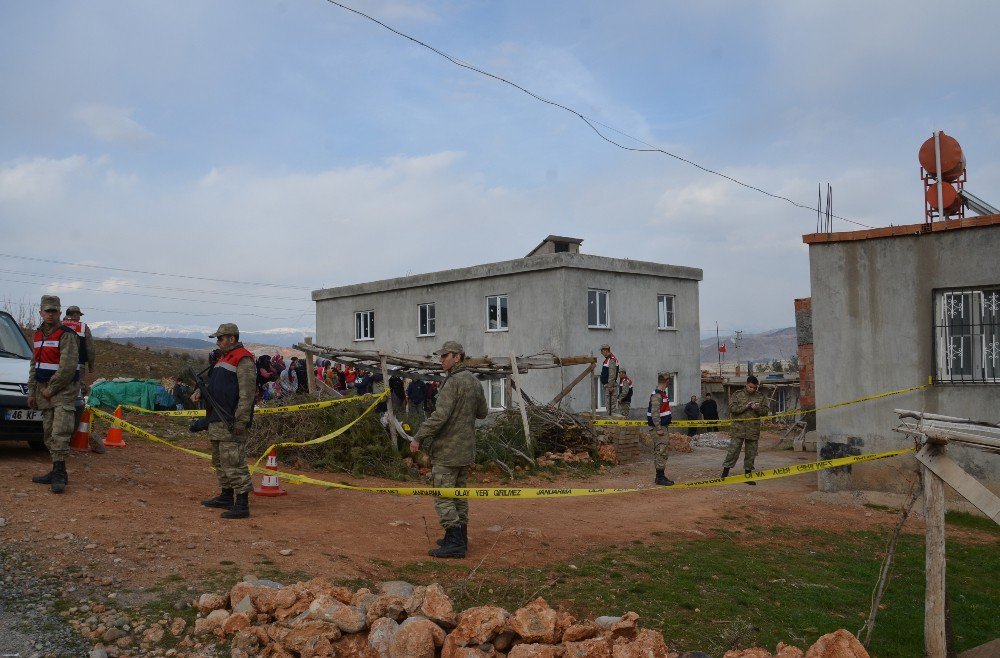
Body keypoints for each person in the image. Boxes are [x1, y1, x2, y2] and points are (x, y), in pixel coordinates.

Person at [409, 340, 488, 559]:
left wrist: (418, 436)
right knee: (459, 495)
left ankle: (454, 543)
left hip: (447, 450)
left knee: (444, 496)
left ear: (458, 357)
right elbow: (483, 412)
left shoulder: (452, 383)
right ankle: (458, 538)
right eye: (441, 356)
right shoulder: (473, 381)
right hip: (465, 450)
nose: (441, 360)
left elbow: (440, 416)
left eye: (446, 356)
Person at [198, 323, 257, 518]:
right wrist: (200, 391)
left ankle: (242, 504)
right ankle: (226, 495)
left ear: (232, 339)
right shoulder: (223, 358)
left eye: (220, 338)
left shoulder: (243, 359)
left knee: (233, 461)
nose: (218, 342)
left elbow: (247, 395)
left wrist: (240, 421)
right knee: (219, 460)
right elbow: (216, 384)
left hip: (231, 421)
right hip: (216, 419)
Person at [28, 295, 80, 494]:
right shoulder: (38, 334)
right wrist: (32, 391)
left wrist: (51, 389)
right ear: (40, 312)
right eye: (47, 311)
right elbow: (34, 365)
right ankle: (57, 470)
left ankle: (59, 474)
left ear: (59, 312)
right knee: (48, 432)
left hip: (62, 391)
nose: (50, 314)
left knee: (60, 431)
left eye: (54, 311)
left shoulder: (66, 334)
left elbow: (67, 367)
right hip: (43, 391)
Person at [62, 304, 105, 453]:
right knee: (77, 397)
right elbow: (90, 348)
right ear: (74, 315)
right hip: (77, 366)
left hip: (58, 367)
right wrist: (91, 364)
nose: (79, 317)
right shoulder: (82, 327)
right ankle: (73, 432)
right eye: (79, 314)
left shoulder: (58, 325)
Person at [722, 375, 770, 485]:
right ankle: (724, 474)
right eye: (750, 387)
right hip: (738, 429)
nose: (752, 389)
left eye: (755, 387)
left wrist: (758, 408)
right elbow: (732, 409)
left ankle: (747, 476)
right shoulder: (737, 395)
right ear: (746, 385)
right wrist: (746, 406)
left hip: (753, 429)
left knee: (751, 453)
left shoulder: (760, 396)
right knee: (733, 451)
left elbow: (765, 411)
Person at [646, 372, 674, 486]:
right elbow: (655, 413)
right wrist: (658, 428)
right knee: (661, 451)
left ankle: (661, 476)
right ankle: (659, 477)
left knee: (663, 452)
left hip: (663, 426)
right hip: (659, 428)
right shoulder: (657, 395)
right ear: (666, 381)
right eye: (669, 380)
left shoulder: (661, 393)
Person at [599, 343, 620, 416]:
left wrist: (610, 386)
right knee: (609, 406)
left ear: (605, 350)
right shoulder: (608, 359)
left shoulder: (611, 359)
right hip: (608, 385)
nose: (601, 353)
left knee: (611, 408)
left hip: (610, 386)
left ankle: (612, 425)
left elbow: (612, 374)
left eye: (602, 351)